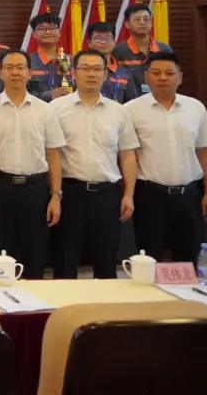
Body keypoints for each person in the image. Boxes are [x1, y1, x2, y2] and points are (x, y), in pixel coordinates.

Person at [0, 49, 66, 279]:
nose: (15, 72)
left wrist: (56, 196)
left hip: (36, 189)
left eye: (20, 67)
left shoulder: (45, 110)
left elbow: (53, 155)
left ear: (29, 73)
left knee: (35, 254)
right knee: (1, 253)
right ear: (0, 73)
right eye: (9, 68)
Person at [50, 49, 140, 278]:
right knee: (65, 260)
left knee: (106, 261)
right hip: (70, 193)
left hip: (107, 195)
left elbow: (127, 154)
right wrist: (55, 195)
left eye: (97, 69)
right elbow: (51, 155)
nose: (91, 74)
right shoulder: (55, 109)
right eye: (85, 68)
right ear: (73, 73)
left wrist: (128, 194)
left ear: (105, 74)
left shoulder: (119, 111)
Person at [126, 52, 207, 263]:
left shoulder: (195, 108)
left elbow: (205, 152)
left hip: (189, 196)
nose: (162, 78)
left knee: (190, 259)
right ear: (146, 76)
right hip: (150, 196)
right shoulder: (131, 110)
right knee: (150, 259)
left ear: (180, 77)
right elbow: (128, 155)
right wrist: (128, 195)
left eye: (169, 73)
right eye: (156, 73)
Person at [112, 4, 174, 95]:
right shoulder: (118, 51)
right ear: (127, 24)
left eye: (146, 19)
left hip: (159, 98)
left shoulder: (164, 49)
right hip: (130, 101)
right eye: (137, 19)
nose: (142, 22)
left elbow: (171, 76)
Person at [86, 21, 140, 103]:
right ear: (89, 43)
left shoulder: (125, 73)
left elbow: (132, 103)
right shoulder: (81, 69)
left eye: (108, 38)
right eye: (98, 38)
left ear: (114, 42)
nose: (103, 42)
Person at [26, 13, 73, 101]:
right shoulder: (27, 62)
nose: (48, 32)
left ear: (59, 33)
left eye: (52, 28)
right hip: (39, 108)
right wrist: (49, 95)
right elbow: (21, 93)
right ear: (34, 34)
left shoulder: (72, 61)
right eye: (42, 29)